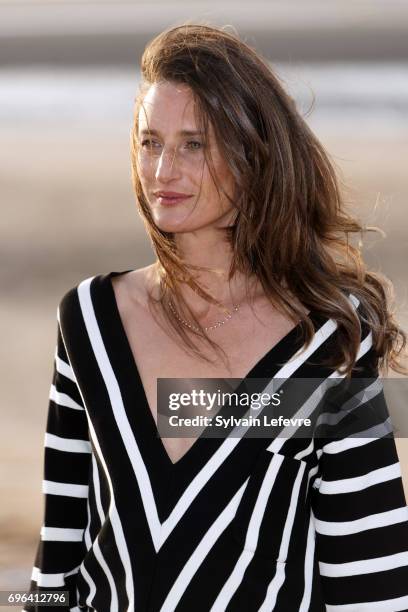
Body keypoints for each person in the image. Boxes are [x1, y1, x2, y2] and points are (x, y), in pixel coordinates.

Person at [24, 23, 408, 612]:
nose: (163, 171)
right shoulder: (90, 322)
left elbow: (371, 579)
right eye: (150, 142)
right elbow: (57, 561)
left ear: (253, 154)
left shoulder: (330, 339)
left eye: (194, 144)